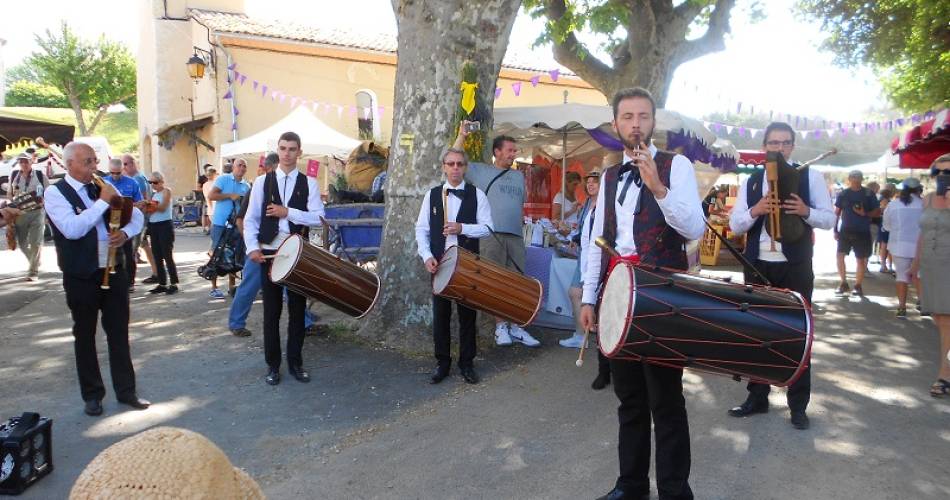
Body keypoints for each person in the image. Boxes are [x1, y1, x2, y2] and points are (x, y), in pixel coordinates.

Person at [579, 88, 706, 500]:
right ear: (616, 124)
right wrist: (588, 298)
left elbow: (694, 229)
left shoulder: (677, 166)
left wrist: (659, 188)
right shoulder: (611, 176)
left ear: (654, 123)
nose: (636, 123)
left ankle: (674, 492)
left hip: (662, 295)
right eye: (628, 116)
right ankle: (630, 486)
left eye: (644, 116)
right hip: (616, 293)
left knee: (666, 400)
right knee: (629, 398)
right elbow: (597, 240)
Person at [725, 122, 836, 431]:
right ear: (765, 147)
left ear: (792, 147)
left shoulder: (809, 177)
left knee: (798, 335)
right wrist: (756, 210)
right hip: (758, 265)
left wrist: (805, 211)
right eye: (773, 143)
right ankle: (757, 397)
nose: (779, 148)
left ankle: (798, 405)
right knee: (756, 332)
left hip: (795, 265)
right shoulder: (751, 182)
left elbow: (828, 220)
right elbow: (735, 225)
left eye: (785, 143)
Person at [44, 142, 149, 416]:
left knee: (119, 332)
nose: (94, 167)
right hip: (81, 274)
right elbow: (72, 229)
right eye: (87, 162)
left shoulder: (99, 187)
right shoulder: (56, 193)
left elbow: (136, 215)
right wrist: (103, 201)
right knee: (85, 335)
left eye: (94, 161)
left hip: (114, 269)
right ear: (70, 164)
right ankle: (92, 395)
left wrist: (124, 234)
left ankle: (127, 392)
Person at [244, 132, 325, 386]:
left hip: (297, 255)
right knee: (271, 312)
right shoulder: (261, 182)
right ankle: (273, 365)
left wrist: (287, 212)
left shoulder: (309, 183)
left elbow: (318, 218)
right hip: (269, 252)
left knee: (298, 311)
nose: (287, 153)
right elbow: (250, 219)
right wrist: (251, 248)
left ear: (299, 152)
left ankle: (296, 363)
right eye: (283, 148)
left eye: (292, 149)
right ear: (277, 151)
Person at [453, 127, 540, 347]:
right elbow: (454, 158)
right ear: (497, 152)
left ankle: (517, 325)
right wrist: (462, 135)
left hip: (516, 236)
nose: (514, 154)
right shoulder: (481, 172)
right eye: (510, 150)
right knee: (495, 281)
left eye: (515, 151)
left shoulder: (519, 176)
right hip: (491, 235)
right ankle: (500, 327)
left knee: (517, 281)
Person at [416, 147, 493, 385]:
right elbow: (421, 229)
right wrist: (426, 255)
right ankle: (442, 363)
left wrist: (463, 228)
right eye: (451, 164)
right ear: (444, 167)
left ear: (465, 167)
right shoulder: (432, 195)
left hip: (468, 262)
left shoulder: (477, 194)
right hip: (439, 262)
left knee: (467, 314)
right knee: (441, 314)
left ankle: (467, 363)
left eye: (460, 164)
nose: (456, 168)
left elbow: (489, 228)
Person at [559, 170, 613, 390]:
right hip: (587, 260)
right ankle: (603, 369)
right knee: (589, 303)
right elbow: (585, 235)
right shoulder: (586, 208)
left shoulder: (608, 207)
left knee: (607, 313)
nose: (591, 186)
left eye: (595, 182)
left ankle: (609, 365)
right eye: (588, 183)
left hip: (605, 262)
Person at [911, 155, 950, 397]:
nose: (944, 177)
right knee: (940, 319)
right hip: (931, 266)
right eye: (939, 173)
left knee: (946, 321)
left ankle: (944, 375)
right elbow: (923, 233)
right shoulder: (926, 199)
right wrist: (915, 264)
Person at [207, 158, 250, 298]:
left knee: (233, 256)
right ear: (233, 167)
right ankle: (214, 287)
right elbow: (211, 195)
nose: (242, 168)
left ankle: (232, 287)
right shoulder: (224, 179)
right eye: (239, 165)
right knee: (217, 255)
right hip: (220, 224)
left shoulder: (246, 186)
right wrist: (229, 196)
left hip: (236, 225)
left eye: (244, 166)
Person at [834, 170, 880, 296]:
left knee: (861, 259)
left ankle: (858, 285)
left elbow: (877, 211)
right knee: (840, 256)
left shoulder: (868, 193)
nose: (856, 179)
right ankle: (843, 283)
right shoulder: (843, 194)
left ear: (862, 179)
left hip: (862, 230)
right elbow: (837, 213)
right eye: (853, 177)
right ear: (849, 178)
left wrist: (865, 213)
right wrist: (835, 229)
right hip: (846, 230)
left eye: (858, 177)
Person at [883, 178, 923, 318]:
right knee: (919, 275)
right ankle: (922, 302)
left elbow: (887, 225)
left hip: (899, 245)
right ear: (919, 189)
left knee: (901, 276)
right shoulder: (924, 204)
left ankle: (902, 307)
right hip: (920, 246)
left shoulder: (893, 205)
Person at [103, 159, 144, 290]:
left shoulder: (132, 183)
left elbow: (140, 202)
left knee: (128, 253)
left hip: (126, 222)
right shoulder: (104, 182)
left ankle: (130, 282)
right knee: (108, 252)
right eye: (112, 173)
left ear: (123, 170)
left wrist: (129, 205)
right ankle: (110, 279)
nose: (115, 176)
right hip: (107, 222)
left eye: (118, 173)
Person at [8, 152, 48, 280]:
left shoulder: (40, 176)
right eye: (21, 162)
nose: (24, 164)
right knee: (22, 242)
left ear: (32, 162)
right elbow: (9, 193)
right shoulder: (14, 175)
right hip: (20, 213)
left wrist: (46, 207)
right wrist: (11, 207)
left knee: (35, 242)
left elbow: (49, 193)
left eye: (26, 161)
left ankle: (33, 272)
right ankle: (34, 260)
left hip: (37, 212)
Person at [122, 154, 158, 281]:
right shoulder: (140, 177)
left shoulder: (137, 179)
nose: (123, 167)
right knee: (145, 246)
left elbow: (142, 200)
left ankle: (129, 280)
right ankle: (156, 273)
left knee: (131, 249)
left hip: (139, 219)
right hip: (141, 218)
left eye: (125, 164)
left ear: (132, 164)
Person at [147, 171, 179, 295]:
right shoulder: (154, 195)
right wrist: (148, 205)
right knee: (157, 255)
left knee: (167, 254)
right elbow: (151, 209)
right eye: (150, 182)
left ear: (161, 182)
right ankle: (162, 282)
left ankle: (174, 282)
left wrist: (149, 204)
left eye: (155, 182)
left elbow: (163, 207)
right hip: (154, 225)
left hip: (164, 225)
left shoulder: (166, 191)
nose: (152, 185)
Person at [876, 187, 895, 273]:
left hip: (885, 224)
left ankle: (886, 265)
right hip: (886, 225)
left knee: (885, 245)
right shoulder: (885, 200)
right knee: (885, 245)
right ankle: (885, 265)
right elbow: (883, 210)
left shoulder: (882, 200)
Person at [201, 166, 218, 234]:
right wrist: (211, 209)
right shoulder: (214, 183)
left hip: (213, 208)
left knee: (216, 227)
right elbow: (208, 198)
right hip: (214, 208)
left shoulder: (207, 184)